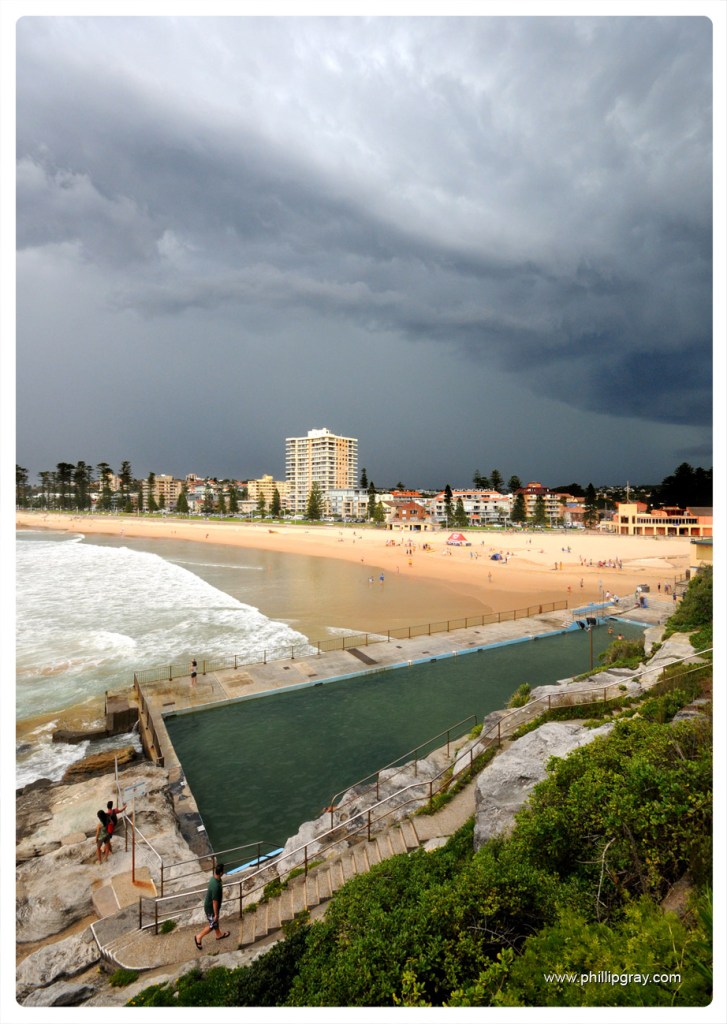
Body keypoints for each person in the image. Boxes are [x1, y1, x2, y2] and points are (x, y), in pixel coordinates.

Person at [194, 863, 229, 948]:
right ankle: (198, 937)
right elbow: (214, 902)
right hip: (211, 909)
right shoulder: (216, 886)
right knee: (212, 925)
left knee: (215, 923)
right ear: (220, 873)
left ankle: (219, 935)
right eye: (223, 871)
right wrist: (216, 914)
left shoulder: (214, 878)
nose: (224, 872)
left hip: (210, 907)